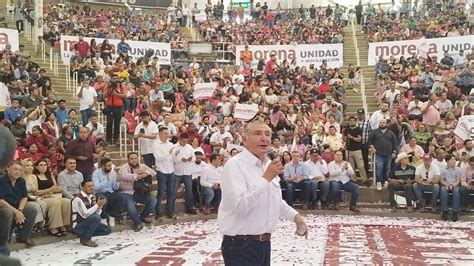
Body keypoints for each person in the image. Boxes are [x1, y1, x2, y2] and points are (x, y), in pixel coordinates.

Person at [218, 120, 308, 265]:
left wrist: (296, 217)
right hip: (240, 246)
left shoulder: (267, 164)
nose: (264, 138)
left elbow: (274, 200)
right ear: (244, 138)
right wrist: (266, 178)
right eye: (257, 133)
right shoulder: (234, 166)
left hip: (264, 244)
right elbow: (240, 206)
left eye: (267, 134)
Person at [0, 161, 38, 248]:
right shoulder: (1, 180)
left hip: (16, 205)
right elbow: (1, 200)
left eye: (20, 170)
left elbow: (24, 197)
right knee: (7, 212)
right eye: (15, 169)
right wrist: (16, 212)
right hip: (3, 206)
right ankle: (3, 241)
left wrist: (20, 210)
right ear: (8, 169)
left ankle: (24, 237)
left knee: (32, 209)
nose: (17, 172)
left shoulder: (21, 181)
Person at [118, 152, 157, 232]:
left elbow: (153, 172)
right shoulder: (124, 167)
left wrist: (145, 173)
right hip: (128, 192)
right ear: (128, 160)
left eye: (136, 158)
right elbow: (123, 175)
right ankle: (137, 222)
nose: (134, 160)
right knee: (130, 206)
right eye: (132, 159)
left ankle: (142, 217)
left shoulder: (142, 166)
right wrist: (136, 176)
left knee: (153, 200)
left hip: (141, 191)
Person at [71, 179, 111, 247]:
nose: (92, 188)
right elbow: (84, 214)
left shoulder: (92, 197)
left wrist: (99, 207)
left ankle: (84, 236)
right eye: (89, 186)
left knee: (107, 230)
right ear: (83, 188)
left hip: (88, 222)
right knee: (96, 218)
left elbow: (97, 214)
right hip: (78, 226)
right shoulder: (78, 199)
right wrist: (97, 205)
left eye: (92, 186)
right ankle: (86, 239)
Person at [152, 127, 176, 220]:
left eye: (168, 133)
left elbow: (173, 158)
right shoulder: (156, 145)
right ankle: (157, 212)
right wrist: (168, 153)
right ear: (160, 134)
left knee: (171, 192)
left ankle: (169, 211)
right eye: (165, 133)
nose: (167, 135)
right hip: (162, 171)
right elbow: (158, 158)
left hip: (171, 170)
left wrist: (175, 154)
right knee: (160, 192)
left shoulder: (170, 144)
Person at [368, 119, 399, 190]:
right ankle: (378, 182)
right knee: (379, 168)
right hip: (378, 154)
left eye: (383, 123)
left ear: (386, 124)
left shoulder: (390, 133)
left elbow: (395, 143)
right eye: (380, 122)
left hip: (389, 154)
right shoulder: (375, 132)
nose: (382, 124)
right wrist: (372, 147)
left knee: (387, 168)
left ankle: (386, 181)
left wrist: (394, 152)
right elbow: (369, 140)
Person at [92, 158, 122, 227]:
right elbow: (96, 187)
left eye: (111, 165)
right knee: (103, 198)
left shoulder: (113, 173)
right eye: (108, 166)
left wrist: (118, 182)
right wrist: (106, 181)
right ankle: (103, 217)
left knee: (120, 197)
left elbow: (115, 188)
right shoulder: (96, 174)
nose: (110, 167)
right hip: (99, 193)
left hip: (110, 192)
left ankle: (112, 216)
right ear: (103, 166)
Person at [172, 133, 197, 215]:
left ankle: (189, 208)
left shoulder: (189, 147)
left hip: (188, 172)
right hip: (177, 172)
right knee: (174, 191)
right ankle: (170, 209)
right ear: (179, 139)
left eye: (186, 141)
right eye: (183, 141)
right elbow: (172, 160)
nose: (185, 143)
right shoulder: (174, 147)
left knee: (189, 191)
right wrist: (180, 159)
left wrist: (190, 159)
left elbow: (194, 158)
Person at [343, 116, 368, 184]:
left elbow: (360, 139)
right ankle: (353, 179)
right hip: (348, 149)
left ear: (355, 121)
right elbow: (344, 139)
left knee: (360, 166)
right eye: (350, 120)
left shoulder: (358, 129)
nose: (352, 122)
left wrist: (352, 137)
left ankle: (364, 179)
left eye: (353, 120)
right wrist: (343, 133)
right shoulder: (346, 129)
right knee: (351, 166)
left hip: (357, 150)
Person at [439, 155, 462, 222]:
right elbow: (442, 180)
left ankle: (455, 212)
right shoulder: (443, 169)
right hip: (446, 184)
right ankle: (444, 211)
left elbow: (458, 180)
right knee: (443, 190)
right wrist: (446, 184)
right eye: (452, 160)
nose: (454, 161)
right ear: (447, 161)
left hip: (455, 184)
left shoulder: (458, 169)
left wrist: (453, 185)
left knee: (456, 191)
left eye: (455, 159)